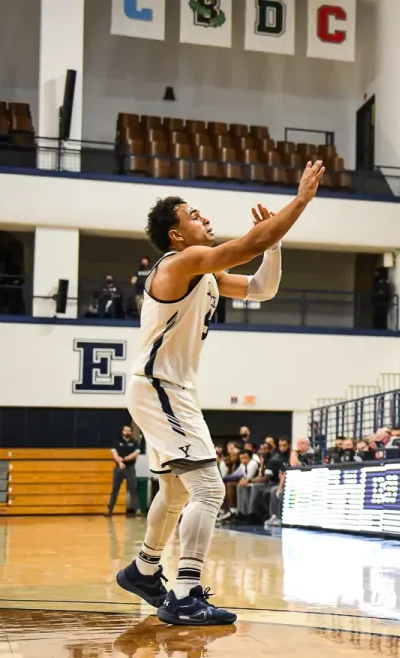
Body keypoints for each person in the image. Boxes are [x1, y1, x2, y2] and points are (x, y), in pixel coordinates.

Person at [114, 160, 323, 626]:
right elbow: (249, 243)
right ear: (176, 235)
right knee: (208, 490)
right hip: (159, 386)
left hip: (167, 389)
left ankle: (145, 570)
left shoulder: (204, 274)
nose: (204, 219)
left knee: (172, 490)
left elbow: (263, 288)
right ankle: (185, 592)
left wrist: (277, 240)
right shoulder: (181, 262)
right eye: (194, 214)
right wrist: (301, 201)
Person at [107, 425, 142, 516]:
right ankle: (109, 509)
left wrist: (123, 460)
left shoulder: (135, 442)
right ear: (122, 431)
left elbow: (135, 454)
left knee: (133, 489)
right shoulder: (116, 442)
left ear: (131, 432)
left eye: (129, 431)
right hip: (118, 468)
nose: (127, 432)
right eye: (125, 430)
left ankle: (137, 509)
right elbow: (114, 454)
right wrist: (120, 463)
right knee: (115, 489)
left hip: (130, 468)